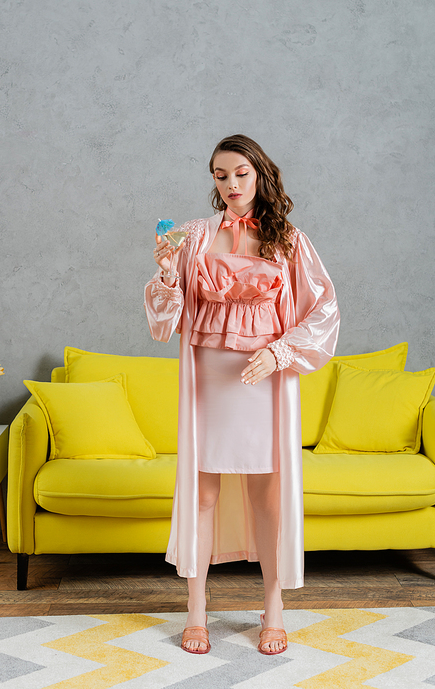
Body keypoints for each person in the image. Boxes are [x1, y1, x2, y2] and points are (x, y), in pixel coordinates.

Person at [144, 134, 340, 655]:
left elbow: (324, 312)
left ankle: (273, 609)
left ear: (260, 174)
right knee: (202, 493)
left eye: (240, 174)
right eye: (219, 175)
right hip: (208, 381)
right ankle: (196, 611)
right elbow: (162, 323)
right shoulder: (191, 236)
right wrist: (166, 273)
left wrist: (279, 353)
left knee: (266, 497)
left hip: (265, 381)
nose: (230, 184)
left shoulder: (289, 240)